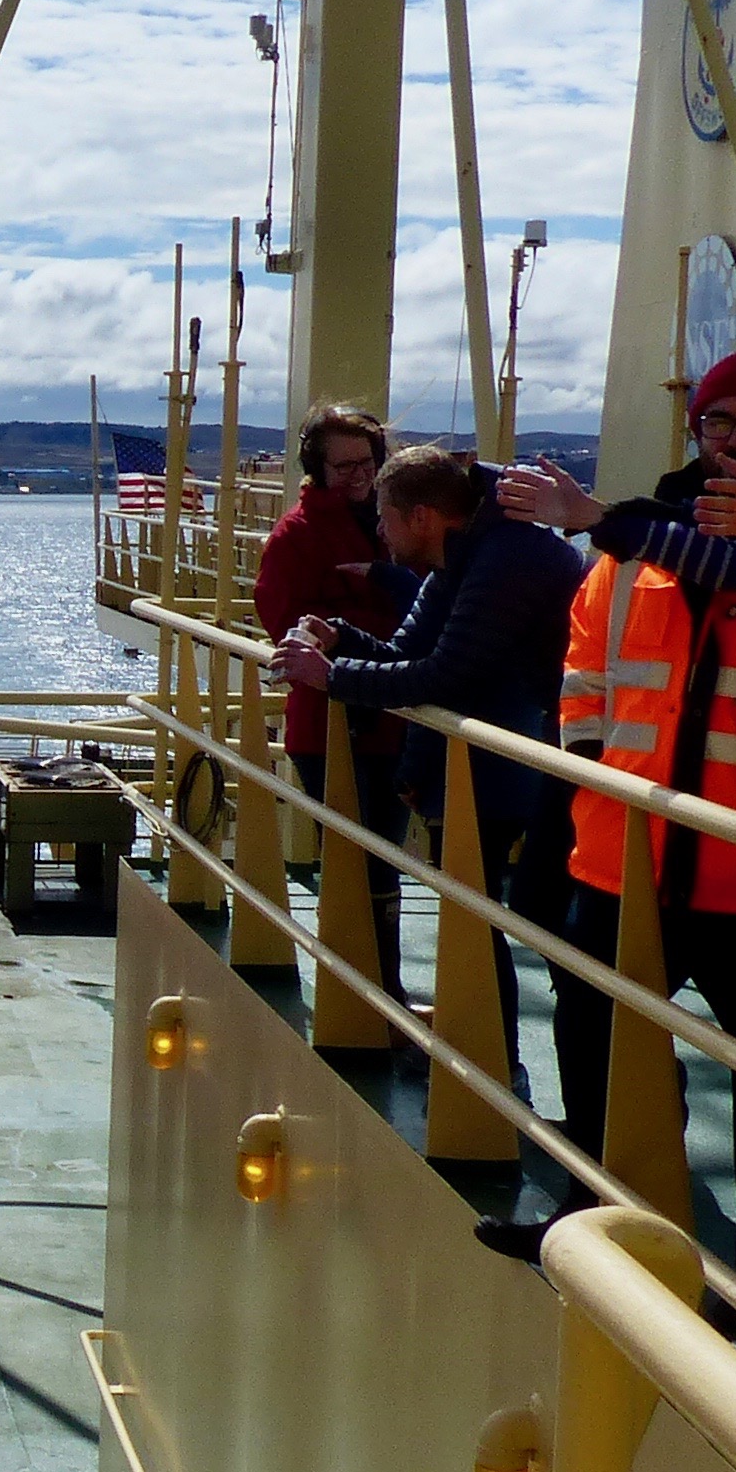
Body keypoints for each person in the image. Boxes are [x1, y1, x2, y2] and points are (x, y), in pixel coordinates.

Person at [491, 348, 736, 1299]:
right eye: (718, 423)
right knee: (599, 1046)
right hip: (622, 859)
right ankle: (597, 1221)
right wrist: (584, 792)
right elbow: (585, 677)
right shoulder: (632, 552)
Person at [276, 442, 583, 1084]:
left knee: (513, 919)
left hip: (540, 754)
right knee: (487, 912)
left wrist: (332, 676)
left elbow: (442, 673)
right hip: (509, 754)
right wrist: (342, 638)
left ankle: (501, 1069)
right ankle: (491, 1058)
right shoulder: (466, 555)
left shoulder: (508, 557)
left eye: (385, 518)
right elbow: (406, 651)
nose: (379, 533)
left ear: (422, 516)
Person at [253, 404, 409, 943]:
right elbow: (284, 624)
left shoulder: (396, 523)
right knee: (353, 864)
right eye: (343, 467)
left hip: (397, 719)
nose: (359, 475)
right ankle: (361, 990)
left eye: (367, 462)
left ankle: (380, 986)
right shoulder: (295, 537)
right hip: (330, 727)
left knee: (384, 861)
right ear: (316, 469)